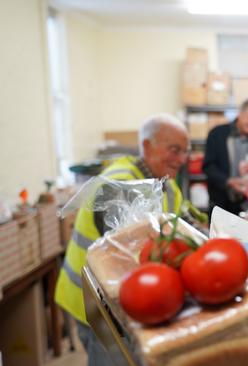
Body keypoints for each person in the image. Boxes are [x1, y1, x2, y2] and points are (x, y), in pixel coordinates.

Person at [54, 113, 197, 366]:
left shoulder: (167, 184)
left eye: (185, 152)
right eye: (174, 149)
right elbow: (130, 247)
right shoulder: (119, 181)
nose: (181, 159)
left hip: (126, 300)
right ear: (147, 146)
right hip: (94, 302)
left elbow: (187, 227)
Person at [203, 98, 248, 216]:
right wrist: (228, 181)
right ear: (240, 114)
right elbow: (208, 167)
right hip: (221, 204)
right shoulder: (217, 134)